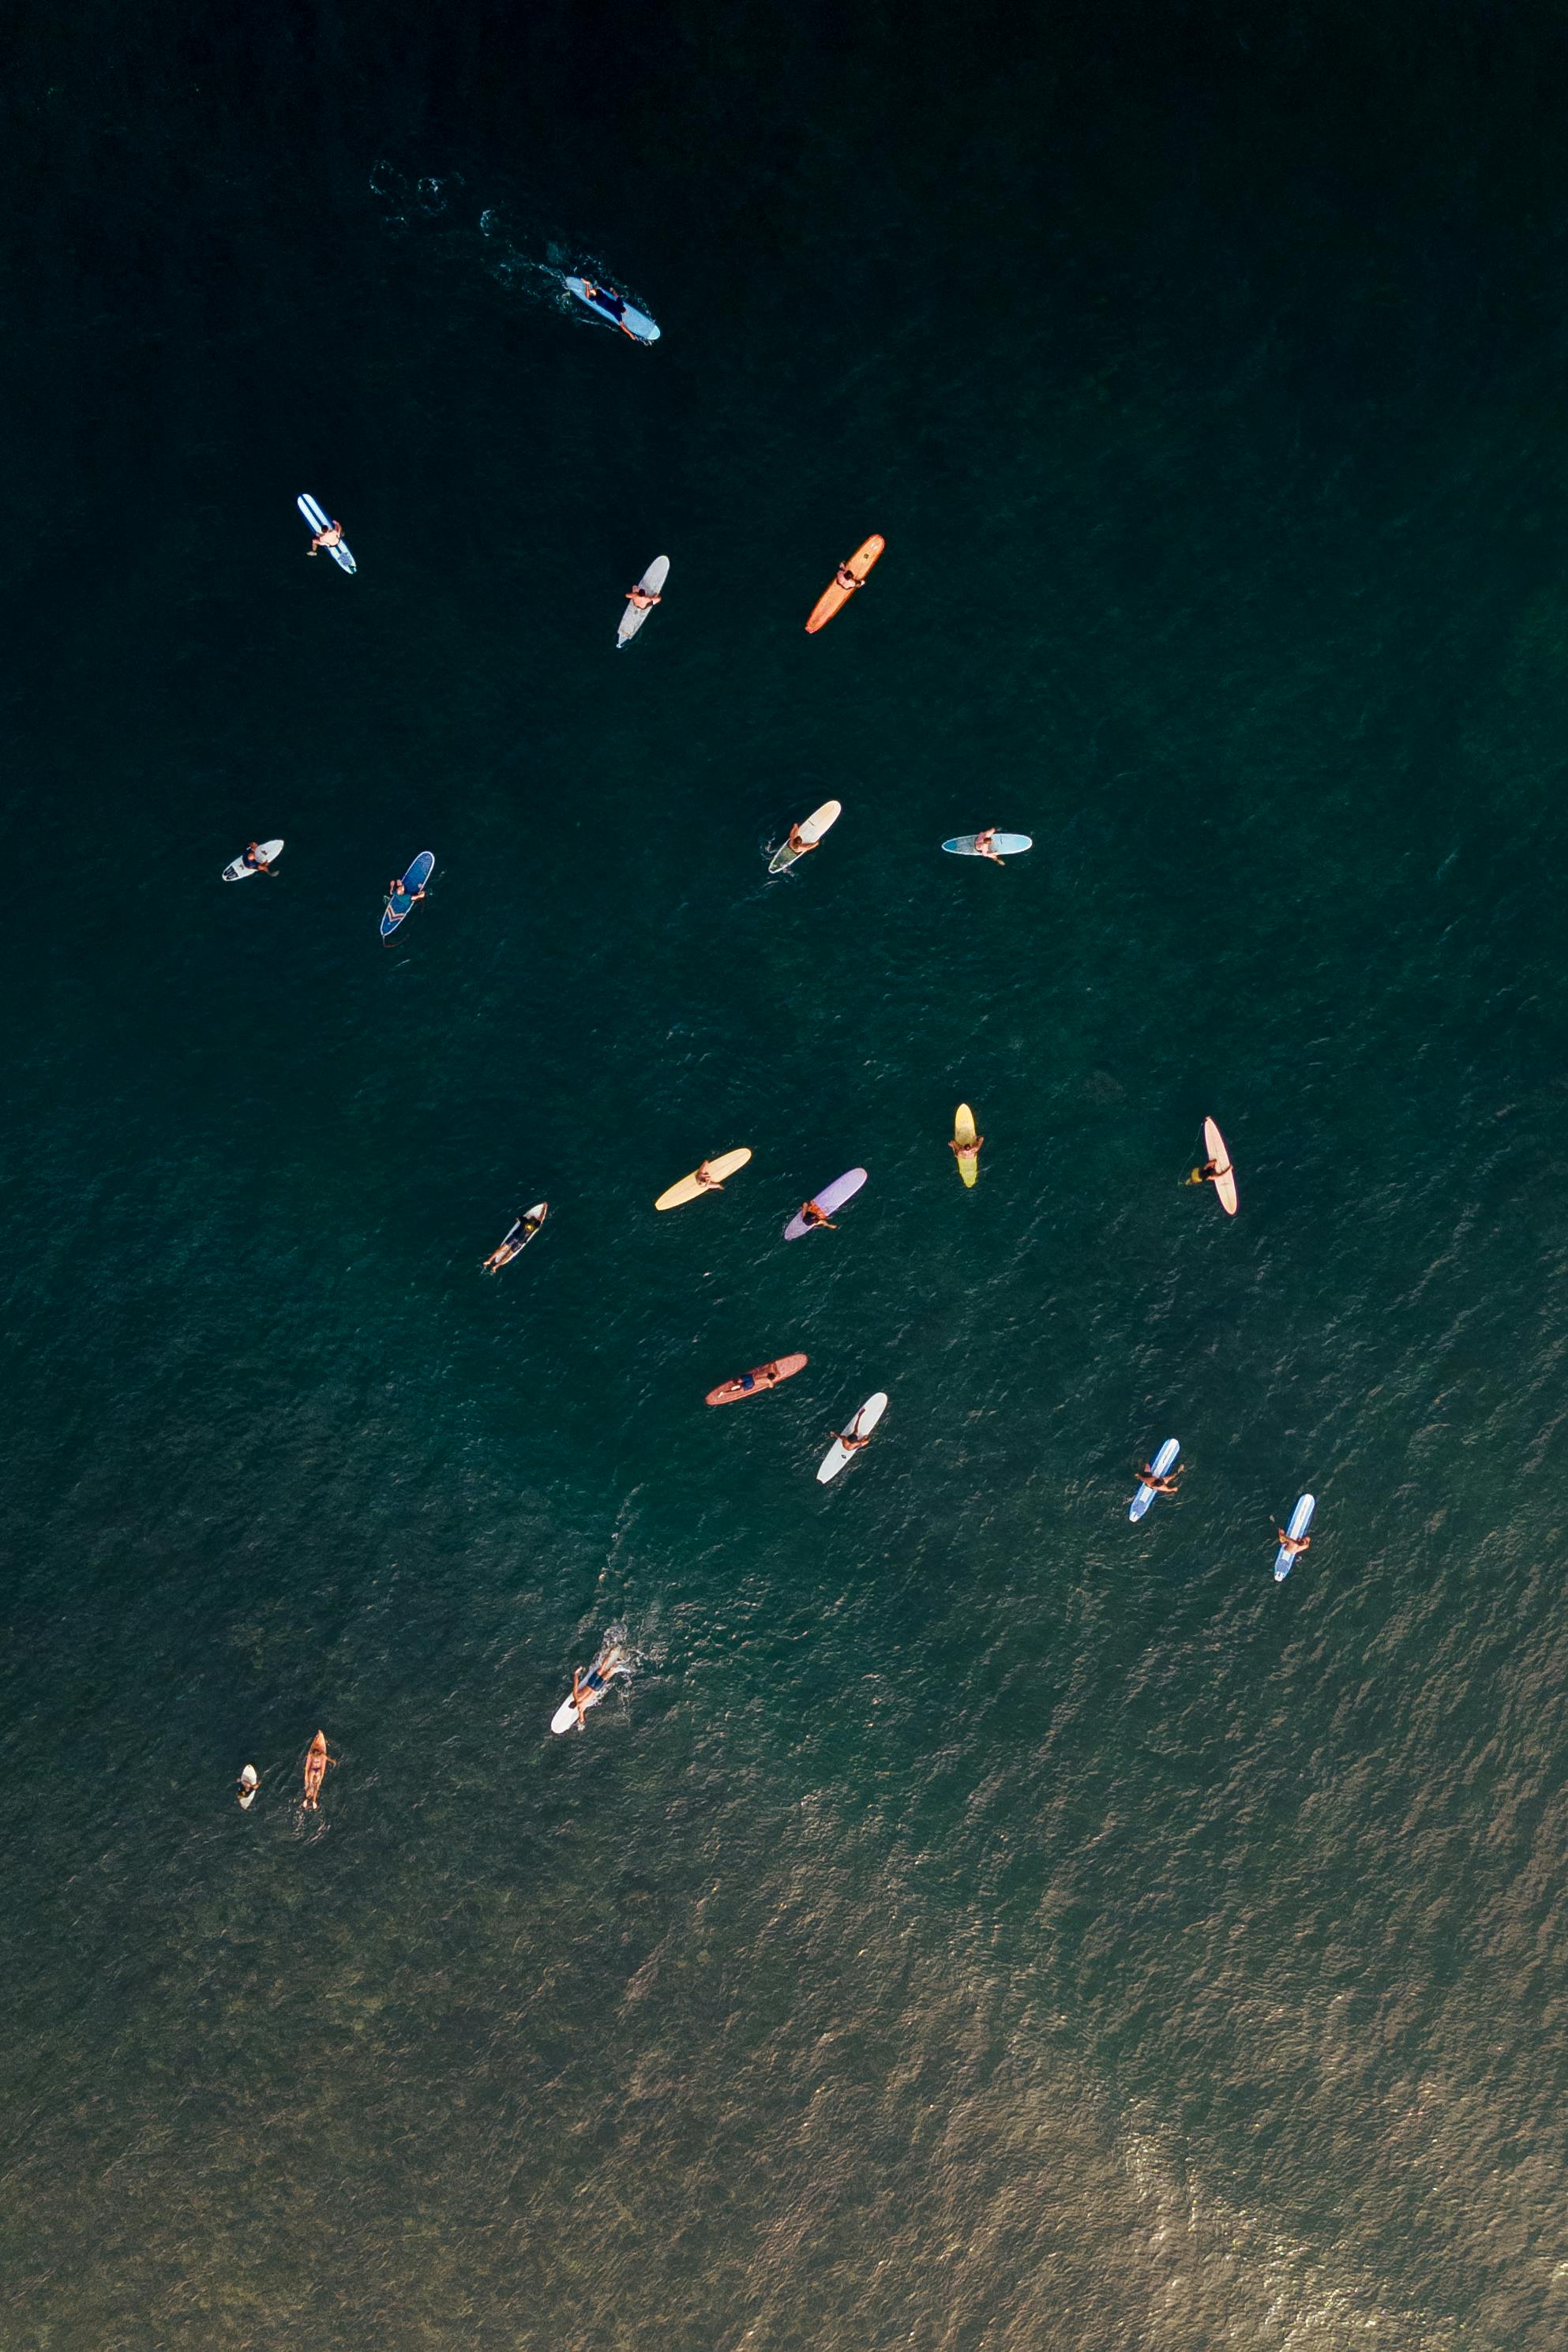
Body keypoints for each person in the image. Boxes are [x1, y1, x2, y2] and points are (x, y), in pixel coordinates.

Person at [302, 1731, 334, 1811]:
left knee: (311, 1784)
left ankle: (309, 1799)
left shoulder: (313, 1755)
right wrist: (334, 1762)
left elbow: (308, 1763)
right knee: (314, 1785)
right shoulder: (319, 1755)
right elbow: (327, 1760)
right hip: (316, 1771)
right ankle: (313, 1800)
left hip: (314, 1770)